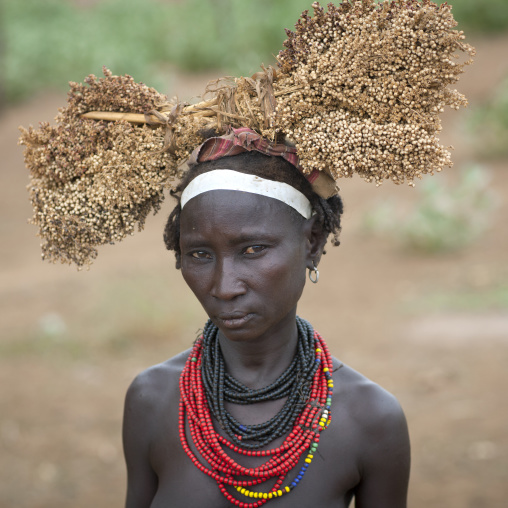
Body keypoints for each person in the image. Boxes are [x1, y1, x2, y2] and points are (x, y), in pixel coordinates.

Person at [122, 129, 411, 508]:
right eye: (199, 255)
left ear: (313, 242)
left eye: (253, 249)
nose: (225, 287)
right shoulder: (153, 399)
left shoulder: (370, 419)